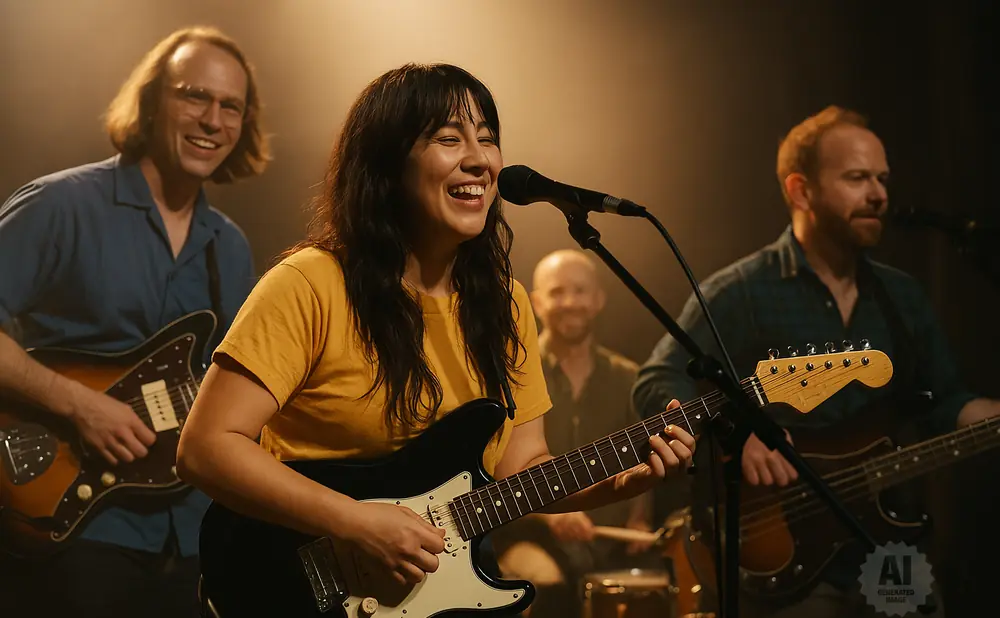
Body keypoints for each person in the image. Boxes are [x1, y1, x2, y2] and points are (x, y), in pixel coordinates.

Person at [176, 63, 695, 617]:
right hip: (295, 586)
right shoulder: (311, 283)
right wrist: (354, 522)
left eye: (487, 138)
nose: (480, 159)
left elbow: (520, 467)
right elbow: (206, 448)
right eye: (449, 139)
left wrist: (620, 480)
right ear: (387, 162)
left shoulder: (505, 303)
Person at [631, 105, 1000, 618]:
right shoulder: (742, 290)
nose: (879, 194)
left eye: (882, 178)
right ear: (801, 190)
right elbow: (657, 380)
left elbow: (947, 402)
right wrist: (735, 432)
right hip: (781, 549)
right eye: (857, 178)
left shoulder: (902, 295)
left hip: (888, 544)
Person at [0, 26, 270, 618]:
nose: (212, 120)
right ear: (151, 101)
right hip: (73, 527)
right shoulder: (60, 205)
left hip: (190, 539)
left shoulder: (229, 248)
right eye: (195, 96)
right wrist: (80, 405)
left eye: (231, 107)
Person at [492, 249, 659, 596]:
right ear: (537, 302)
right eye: (557, 292)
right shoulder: (512, 373)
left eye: (580, 291)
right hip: (530, 539)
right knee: (542, 582)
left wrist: (639, 519)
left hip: (607, 549)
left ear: (598, 300)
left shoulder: (629, 377)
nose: (569, 302)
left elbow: (641, 453)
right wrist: (550, 515)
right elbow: (494, 472)